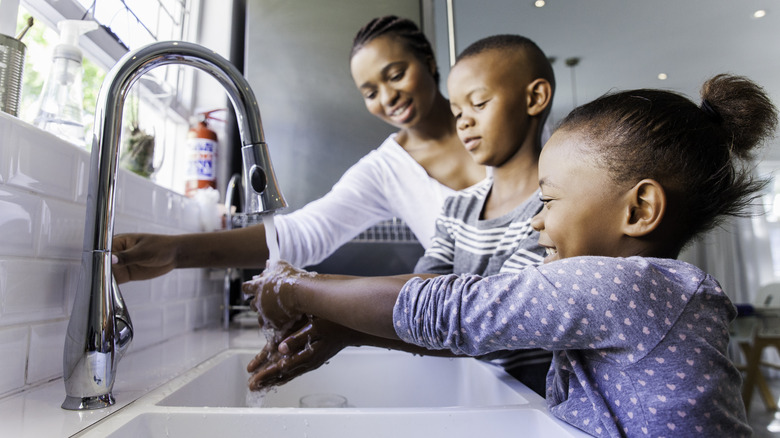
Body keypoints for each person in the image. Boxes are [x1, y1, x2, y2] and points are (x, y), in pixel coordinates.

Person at [244, 73, 777, 437]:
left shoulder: (627, 286)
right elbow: (480, 326)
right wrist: (349, 329)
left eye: (549, 199)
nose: (537, 218)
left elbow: (455, 309)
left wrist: (292, 284)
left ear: (639, 209)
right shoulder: (638, 292)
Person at [247, 34, 556, 396]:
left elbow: (485, 318)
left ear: (534, 98)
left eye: (479, 104)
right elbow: (426, 295)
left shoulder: (555, 210)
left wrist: (302, 289)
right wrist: (345, 328)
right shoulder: (458, 210)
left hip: (544, 407)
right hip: (491, 393)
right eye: (457, 111)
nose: (464, 122)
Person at [110, 15, 484, 283]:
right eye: (370, 92)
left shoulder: (492, 117)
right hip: (493, 349)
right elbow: (304, 233)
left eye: (396, 74)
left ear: (429, 62)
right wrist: (176, 252)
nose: (388, 97)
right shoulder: (385, 171)